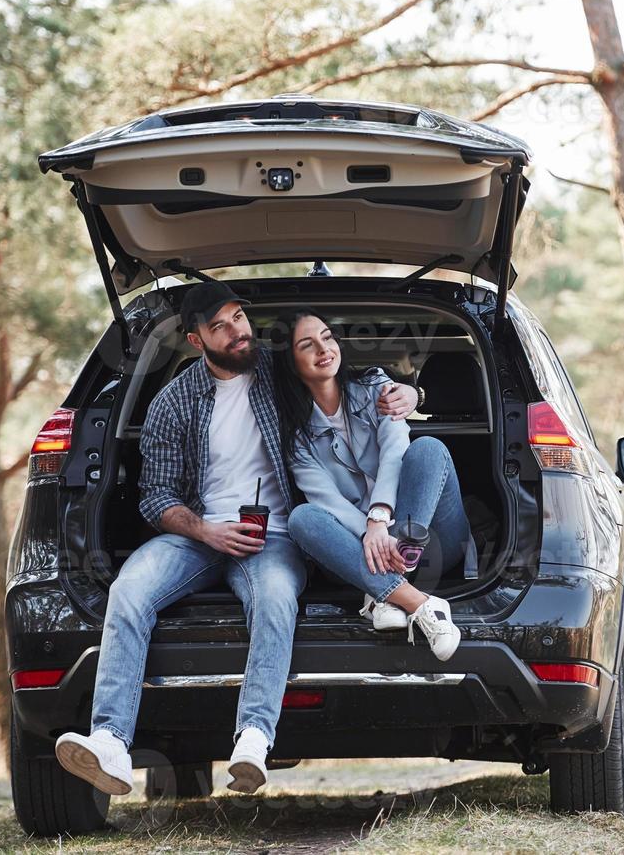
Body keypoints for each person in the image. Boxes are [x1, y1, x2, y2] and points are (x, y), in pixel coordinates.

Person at [53, 282, 419, 797]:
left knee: (274, 598)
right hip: (199, 535)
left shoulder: (280, 371)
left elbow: (349, 378)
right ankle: (110, 741)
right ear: (197, 340)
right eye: (220, 326)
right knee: (129, 591)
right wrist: (205, 529)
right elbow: (155, 497)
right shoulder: (173, 402)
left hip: (278, 535)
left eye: (239, 317)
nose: (237, 331)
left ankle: (253, 737)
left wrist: (408, 392)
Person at [270, 307, 472, 659]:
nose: (323, 349)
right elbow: (325, 499)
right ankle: (420, 604)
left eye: (327, 338)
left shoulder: (376, 388)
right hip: (358, 557)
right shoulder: (294, 435)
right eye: (307, 345)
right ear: (291, 362)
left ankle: (382, 592)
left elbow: (396, 451)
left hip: (425, 544)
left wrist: (380, 520)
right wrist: (368, 534)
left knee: (428, 449)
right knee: (304, 517)